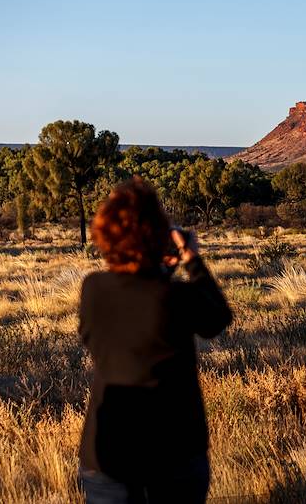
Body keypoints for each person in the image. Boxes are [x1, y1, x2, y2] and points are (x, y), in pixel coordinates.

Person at [77, 177, 232, 504]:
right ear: (156, 235)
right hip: (174, 452)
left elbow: (138, 300)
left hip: (108, 454)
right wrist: (191, 259)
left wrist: (162, 270)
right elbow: (218, 318)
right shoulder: (175, 296)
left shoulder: (93, 290)